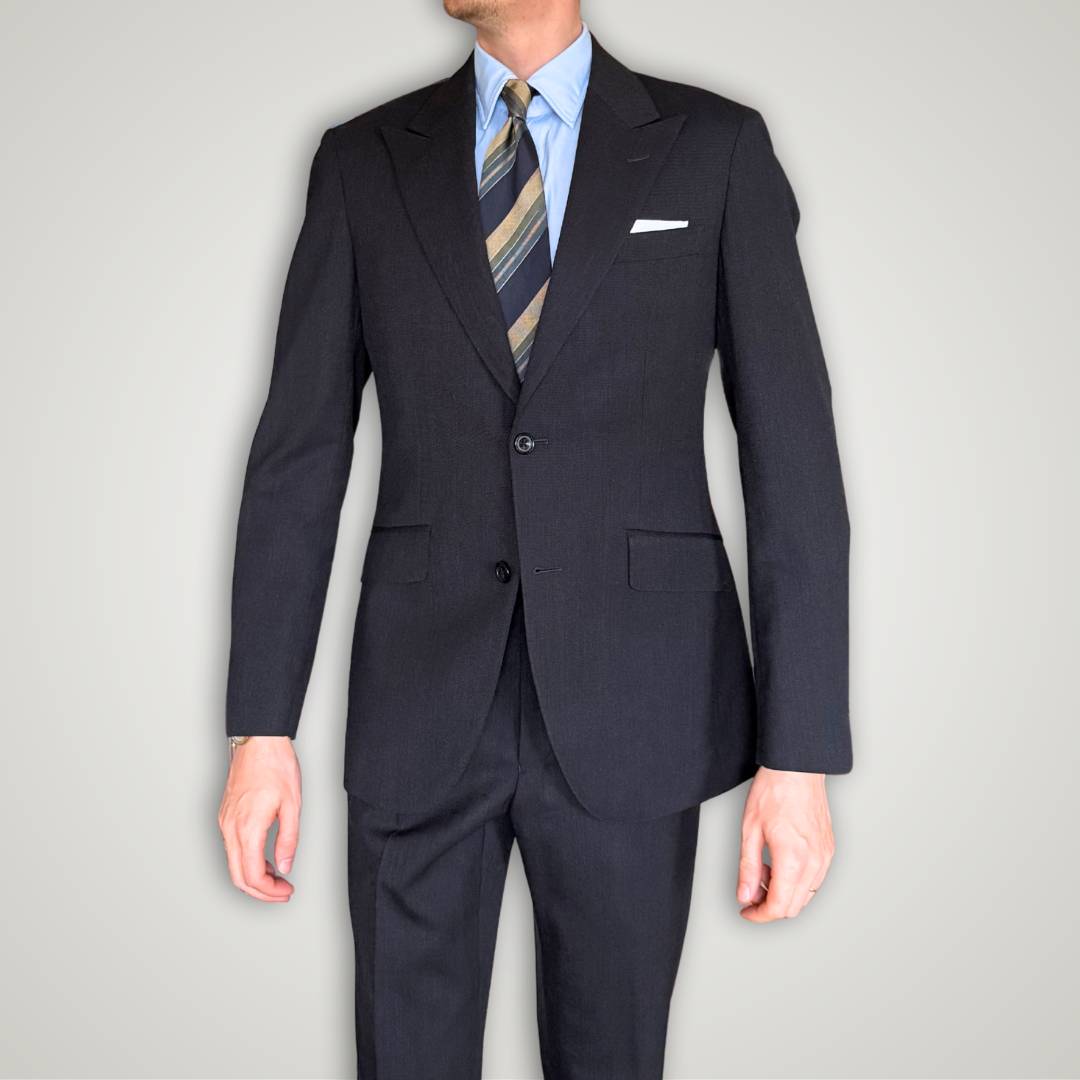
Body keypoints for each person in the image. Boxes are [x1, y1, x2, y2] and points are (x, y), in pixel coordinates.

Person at [218, 1, 851, 1076]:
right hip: (419, 705)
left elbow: (792, 461)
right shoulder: (364, 160)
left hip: (637, 706)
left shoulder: (715, 148)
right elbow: (298, 457)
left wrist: (798, 757)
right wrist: (258, 730)